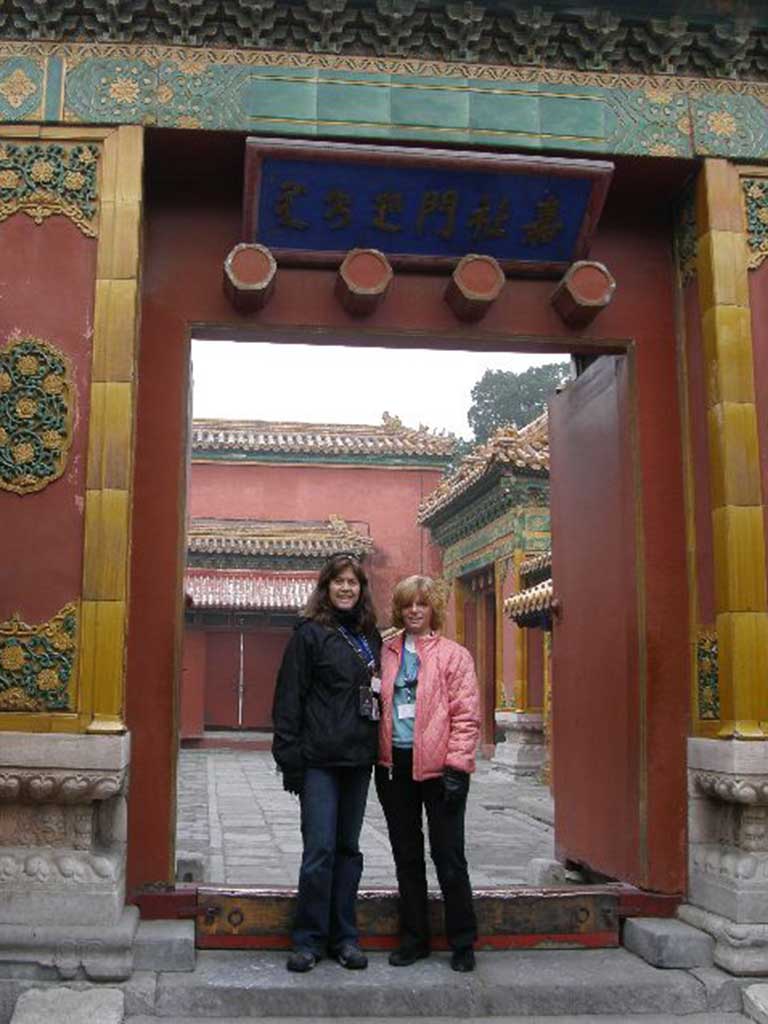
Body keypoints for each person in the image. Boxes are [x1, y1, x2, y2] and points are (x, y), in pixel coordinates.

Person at [272, 552, 381, 974]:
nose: (346, 588)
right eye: (339, 581)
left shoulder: (371, 637)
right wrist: (290, 759)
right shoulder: (308, 635)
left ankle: (345, 937)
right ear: (326, 587)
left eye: (353, 582)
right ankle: (308, 939)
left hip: (357, 759)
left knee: (348, 850)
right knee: (319, 850)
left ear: (361, 589)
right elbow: (288, 699)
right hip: (318, 759)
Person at [375, 574, 480, 972]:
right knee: (407, 857)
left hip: (441, 769)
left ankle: (463, 941)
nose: (414, 611)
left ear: (433, 607)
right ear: (399, 610)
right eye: (407, 604)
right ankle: (415, 938)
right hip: (395, 767)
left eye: (421, 603)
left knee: (449, 856)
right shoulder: (386, 651)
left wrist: (458, 765)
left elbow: (466, 716)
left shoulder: (454, 655)